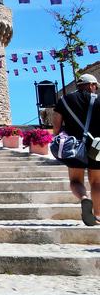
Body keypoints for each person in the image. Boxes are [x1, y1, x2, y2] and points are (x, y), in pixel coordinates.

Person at [52, 73, 100, 226]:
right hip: (97, 146)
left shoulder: (64, 100)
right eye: (96, 86)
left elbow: (56, 125)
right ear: (91, 85)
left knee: (75, 181)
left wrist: (58, 138)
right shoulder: (98, 99)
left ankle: (84, 199)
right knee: (97, 182)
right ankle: (98, 215)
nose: (96, 89)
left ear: (79, 85)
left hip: (74, 146)